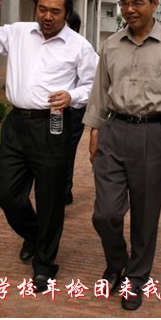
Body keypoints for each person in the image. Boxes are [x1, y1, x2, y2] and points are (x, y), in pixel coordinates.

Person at [0, 0, 98, 292]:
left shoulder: (79, 47)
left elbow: (95, 86)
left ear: (66, 13)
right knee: (6, 193)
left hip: (53, 126)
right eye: (42, 9)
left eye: (55, 11)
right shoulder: (19, 32)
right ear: (35, 7)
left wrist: (72, 96)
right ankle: (33, 233)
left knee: (50, 198)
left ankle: (44, 264)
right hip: (17, 125)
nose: (47, 16)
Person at [83, 0, 161, 311]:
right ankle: (116, 262)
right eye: (124, 3)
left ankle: (135, 277)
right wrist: (94, 130)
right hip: (113, 131)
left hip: (151, 134)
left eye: (137, 3)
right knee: (105, 214)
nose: (129, 9)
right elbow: (100, 91)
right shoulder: (111, 44)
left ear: (154, 3)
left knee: (145, 215)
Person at [64, 10, 86, 206]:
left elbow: (92, 85)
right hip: (52, 112)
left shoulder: (83, 49)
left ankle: (64, 191)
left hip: (73, 112)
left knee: (67, 151)